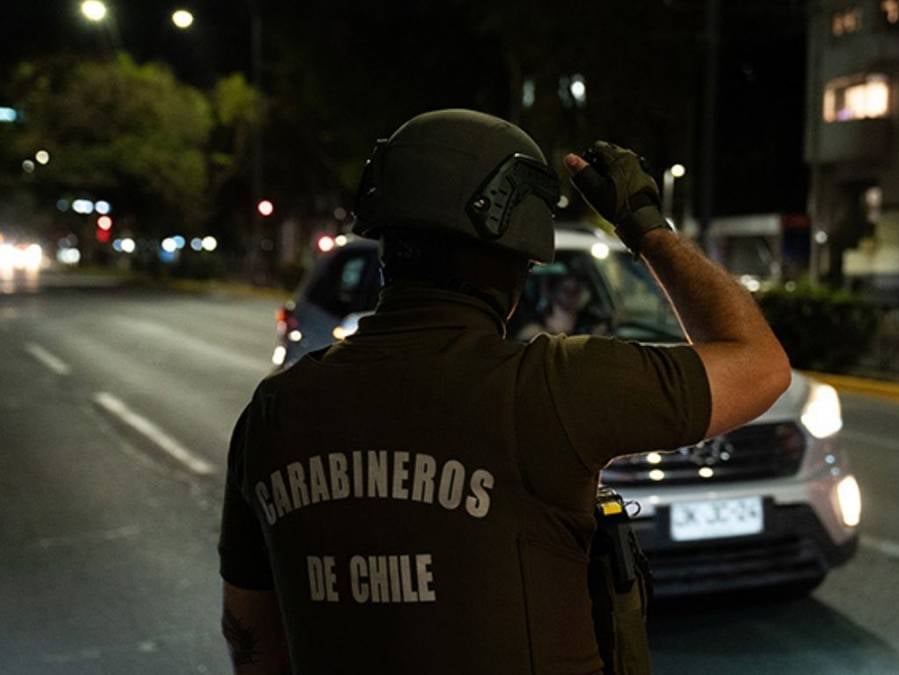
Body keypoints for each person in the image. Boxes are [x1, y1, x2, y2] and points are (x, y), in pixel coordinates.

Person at [217, 110, 790, 675]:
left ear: (385, 247)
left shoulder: (273, 413)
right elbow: (760, 365)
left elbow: (251, 637)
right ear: (516, 262)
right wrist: (645, 226)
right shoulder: (553, 388)